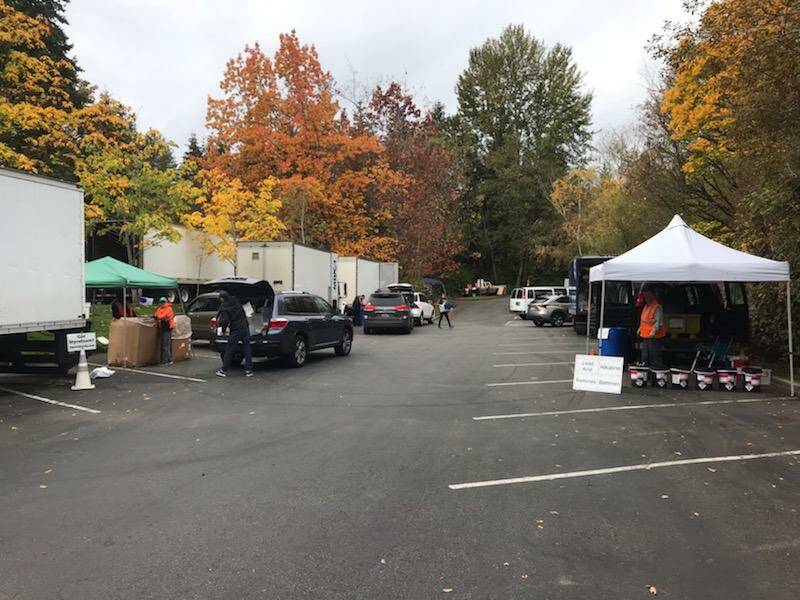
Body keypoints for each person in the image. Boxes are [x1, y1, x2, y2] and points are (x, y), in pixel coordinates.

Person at [215, 290, 253, 377]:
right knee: (247, 348)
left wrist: (223, 331)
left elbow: (224, 321)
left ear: (222, 298)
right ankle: (248, 370)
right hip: (245, 326)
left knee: (230, 349)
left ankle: (223, 370)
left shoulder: (224, 307)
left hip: (236, 329)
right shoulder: (236, 300)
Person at [638, 285, 666, 367]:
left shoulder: (657, 307)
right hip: (646, 336)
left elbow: (658, 322)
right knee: (645, 356)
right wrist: (640, 329)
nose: (645, 297)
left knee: (654, 357)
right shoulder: (646, 306)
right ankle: (646, 374)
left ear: (652, 295)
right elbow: (644, 320)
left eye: (647, 295)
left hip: (654, 337)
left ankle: (655, 374)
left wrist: (654, 331)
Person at [153, 297, 175, 365]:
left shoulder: (169, 309)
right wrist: (158, 316)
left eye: (163, 302)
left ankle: (166, 360)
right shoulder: (160, 309)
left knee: (166, 345)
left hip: (167, 328)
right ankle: (168, 359)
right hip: (162, 327)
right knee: (164, 344)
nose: (162, 303)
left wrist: (159, 317)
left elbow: (163, 316)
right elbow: (156, 315)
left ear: (166, 302)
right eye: (161, 302)